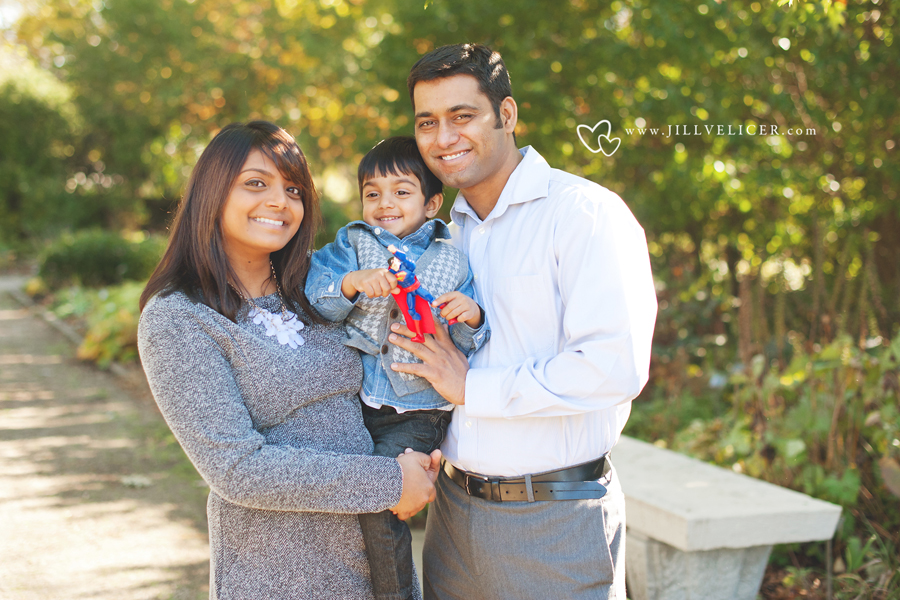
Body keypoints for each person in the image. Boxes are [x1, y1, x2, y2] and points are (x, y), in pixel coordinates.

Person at [387, 44, 658, 599]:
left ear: (506, 115)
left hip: (555, 520)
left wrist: (473, 387)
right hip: (453, 517)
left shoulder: (583, 215)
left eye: (463, 117)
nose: (444, 139)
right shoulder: (437, 234)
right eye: (428, 123)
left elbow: (613, 368)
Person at [136, 121, 440, 600]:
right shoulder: (179, 317)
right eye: (256, 183)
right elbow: (237, 468)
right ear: (212, 192)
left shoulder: (319, 291)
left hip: (377, 565)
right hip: (281, 571)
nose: (280, 201)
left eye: (294, 188)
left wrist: (418, 451)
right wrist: (390, 481)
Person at [305, 135, 489, 600]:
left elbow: (470, 340)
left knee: (381, 498)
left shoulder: (453, 257)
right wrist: (350, 283)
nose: (385, 203)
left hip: (418, 411)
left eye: (402, 192)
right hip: (360, 402)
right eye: (373, 193)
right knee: (346, 499)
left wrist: (472, 314)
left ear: (431, 203)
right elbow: (315, 295)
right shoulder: (353, 243)